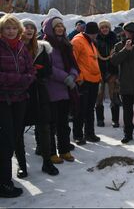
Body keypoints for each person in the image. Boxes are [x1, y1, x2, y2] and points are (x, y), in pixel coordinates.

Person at [17, 19, 59, 177]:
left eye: (32, 28)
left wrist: (36, 71)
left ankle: (47, 162)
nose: (29, 30)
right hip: (20, 93)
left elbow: (48, 71)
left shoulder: (42, 48)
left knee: (44, 128)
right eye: (26, 27)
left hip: (39, 92)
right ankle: (22, 165)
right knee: (18, 130)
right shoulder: (15, 48)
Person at [0, 14, 35, 198]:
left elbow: (31, 72)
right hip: (3, 100)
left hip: (20, 99)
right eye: (7, 28)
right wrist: (20, 80)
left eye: (14, 28)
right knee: (5, 141)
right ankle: (4, 183)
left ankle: (6, 179)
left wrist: (24, 80)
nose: (11, 31)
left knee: (14, 138)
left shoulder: (22, 47)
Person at [42, 16, 79, 165]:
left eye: (61, 26)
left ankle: (64, 150)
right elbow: (48, 68)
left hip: (66, 89)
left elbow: (74, 63)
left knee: (63, 122)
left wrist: (73, 75)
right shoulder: (44, 45)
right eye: (56, 26)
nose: (60, 28)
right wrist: (66, 77)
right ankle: (51, 152)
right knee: (51, 123)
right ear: (50, 28)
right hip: (52, 89)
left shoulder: (66, 44)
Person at [71, 22, 102, 145]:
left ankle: (90, 133)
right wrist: (79, 78)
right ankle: (78, 135)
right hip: (83, 81)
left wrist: (99, 77)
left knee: (89, 109)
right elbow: (73, 61)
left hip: (94, 80)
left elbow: (93, 61)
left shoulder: (90, 42)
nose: (95, 36)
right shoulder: (78, 41)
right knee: (80, 109)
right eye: (93, 34)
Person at [95, 20, 121, 128]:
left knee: (114, 95)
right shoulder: (95, 40)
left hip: (112, 71)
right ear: (99, 29)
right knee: (99, 97)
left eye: (106, 27)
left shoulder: (115, 39)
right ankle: (100, 119)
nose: (104, 29)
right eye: (102, 28)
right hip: (99, 72)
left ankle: (115, 120)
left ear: (109, 28)